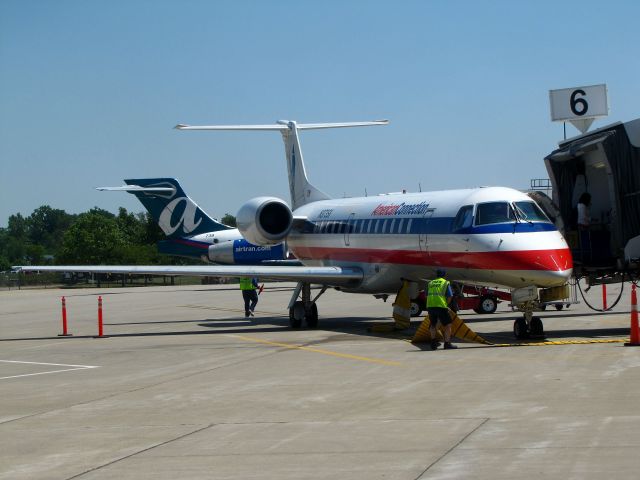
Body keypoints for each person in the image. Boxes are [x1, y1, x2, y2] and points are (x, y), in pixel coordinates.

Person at [427, 268, 456, 350]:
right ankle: (447, 344)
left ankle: (433, 343)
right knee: (448, 324)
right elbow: (450, 296)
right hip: (440, 305)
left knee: (433, 324)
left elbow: (427, 294)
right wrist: (446, 305)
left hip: (430, 306)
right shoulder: (445, 283)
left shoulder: (431, 283)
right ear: (444, 275)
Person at [576, 192, 592, 262]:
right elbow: (584, 217)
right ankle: (586, 257)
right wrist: (590, 219)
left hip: (580, 225)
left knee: (582, 242)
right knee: (585, 241)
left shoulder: (579, 205)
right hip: (584, 225)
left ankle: (583, 256)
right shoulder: (583, 206)